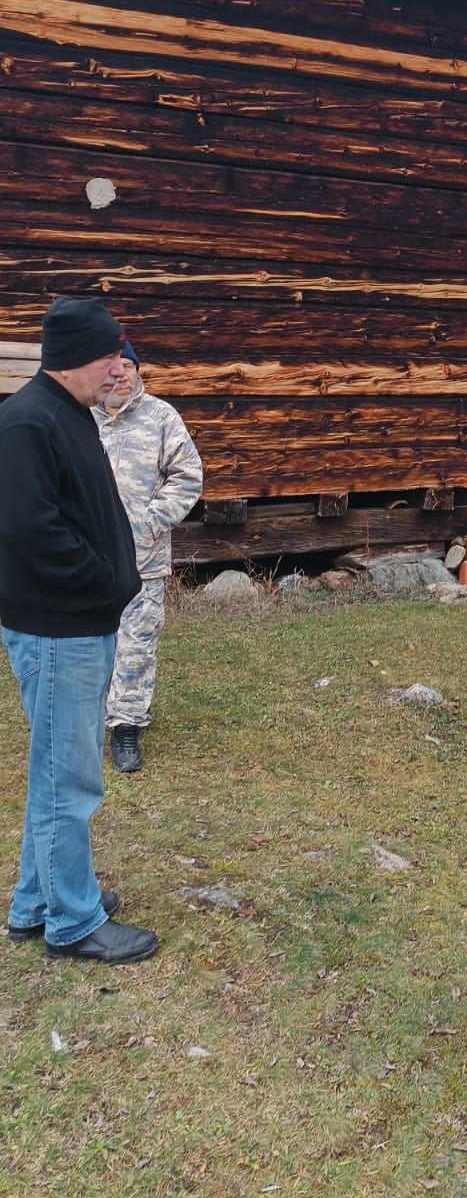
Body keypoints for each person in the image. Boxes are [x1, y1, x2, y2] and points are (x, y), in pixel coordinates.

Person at [0, 297, 159, 963]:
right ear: (75, 359)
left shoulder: (65, 413)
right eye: (109, 357)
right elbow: (30, 531)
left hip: (74, 625)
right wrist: (104, 577)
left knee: (53, 772)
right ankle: (72, 921)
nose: (118, 370)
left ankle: (38, 901)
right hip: (57, 628)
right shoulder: (27, 422)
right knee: (70, 781)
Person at [93, 340, 202, 772]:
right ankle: (86, 720)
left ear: (138, 371)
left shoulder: (161, 417)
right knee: (89, 643)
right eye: (110, 365)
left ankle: (126, 727)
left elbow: (188, 477)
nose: (119, 374)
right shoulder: (82, 420)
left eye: (127, 365)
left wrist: (148, 523)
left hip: (144, 561)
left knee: (135, 645)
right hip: (88, 561)